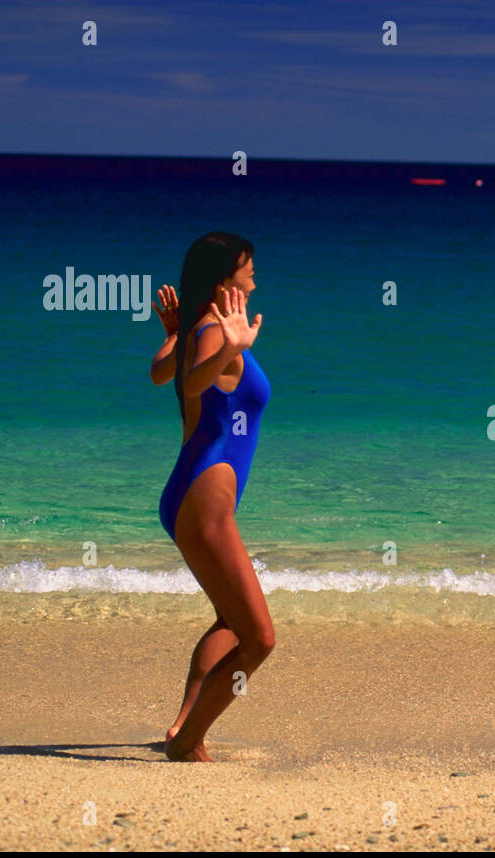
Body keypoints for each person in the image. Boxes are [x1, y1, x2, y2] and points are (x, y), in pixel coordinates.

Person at [150, 232, 273, 761]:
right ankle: (190, 741)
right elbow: (193, 384)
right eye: (247, 269)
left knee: (231, 621)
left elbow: (161, 374)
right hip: (204, 498)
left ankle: (182, 726)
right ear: (226, 279)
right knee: (259, 639)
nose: (254, 275)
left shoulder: (199, 327)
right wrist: (227, 346)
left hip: (196, 495)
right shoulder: (214, 332)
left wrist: (176, 335)